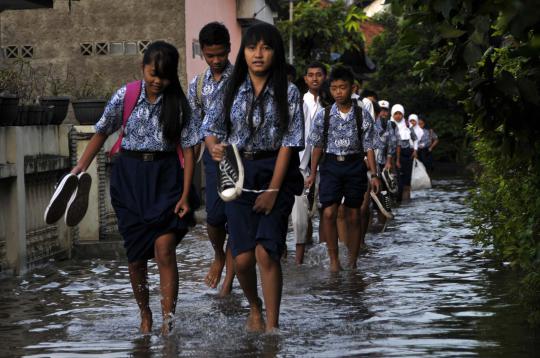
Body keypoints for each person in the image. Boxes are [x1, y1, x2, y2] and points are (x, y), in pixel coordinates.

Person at [71, 41, 199, 334]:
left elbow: (190, 150)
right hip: (129, 179)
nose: (157, 81)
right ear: (143, 68)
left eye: (164, 76)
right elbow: (102, 132)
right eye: (153, 73)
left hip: (167, 178)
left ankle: (168, 320)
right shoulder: (125, 95)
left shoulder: (179, 105)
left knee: (165, 248)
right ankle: (145, 314)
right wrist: (80, 167)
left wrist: (185, 194)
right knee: (136, 257)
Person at [202, 22, 304, 332]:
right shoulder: (230, 88)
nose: (258, 54)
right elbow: (210, 128)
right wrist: (214, 148)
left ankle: (272, 327)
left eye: (266, 47)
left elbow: (290, 141)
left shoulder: (288, 92)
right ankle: (254, 307)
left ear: (276, 52)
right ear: (243, 52)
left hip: (277, 172)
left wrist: (273, 189)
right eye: (251, 47)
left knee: (266, 252)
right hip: (237, 173)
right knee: (243, 259)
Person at [306, 66, 380, 272]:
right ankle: (334, 260)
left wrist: (374, 174)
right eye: (335, 88)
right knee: (328, 212)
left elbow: (370, 146)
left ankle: (353, 261)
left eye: (343, 88)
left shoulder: (362, 115)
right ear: (330, 90)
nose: (339, 92)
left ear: (351, 88)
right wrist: (312, 173)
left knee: (354, 214)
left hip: (355, 165)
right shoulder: (324, 115)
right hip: (330, 165)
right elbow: (317, 146)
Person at [188, 22, 235, 296]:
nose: (216, 60)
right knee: (215, 218)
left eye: (220, 54)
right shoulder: (198, 86)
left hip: (240, 158)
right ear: (203, 53)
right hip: (211, 160)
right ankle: (218, 254)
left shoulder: (242, 80)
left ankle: (227, 285)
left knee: (237, 221)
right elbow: (194, 128)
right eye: (210, 55)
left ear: (229, 49)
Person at [291, 61, 326, 264]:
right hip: (299, 165)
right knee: (299, 214)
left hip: (321, 165)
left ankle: (320, 253)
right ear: (305, 79)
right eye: (310, 75)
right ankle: (298, 259)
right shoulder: (299, 102)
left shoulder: (327, 105)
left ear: (324, 77)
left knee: (319, 209)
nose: (314, 78)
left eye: (318, 74)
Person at [393, 105, 418, 201]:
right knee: (397, 179)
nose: (398, 116)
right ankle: (397, 200)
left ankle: (406, 201)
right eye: (396, 114)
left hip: (407, 154)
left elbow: (415, 139)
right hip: (394, 154)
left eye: (400, 114)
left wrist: (415, 150)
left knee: (407, 180)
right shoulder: (389, 124)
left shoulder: (408, 125)